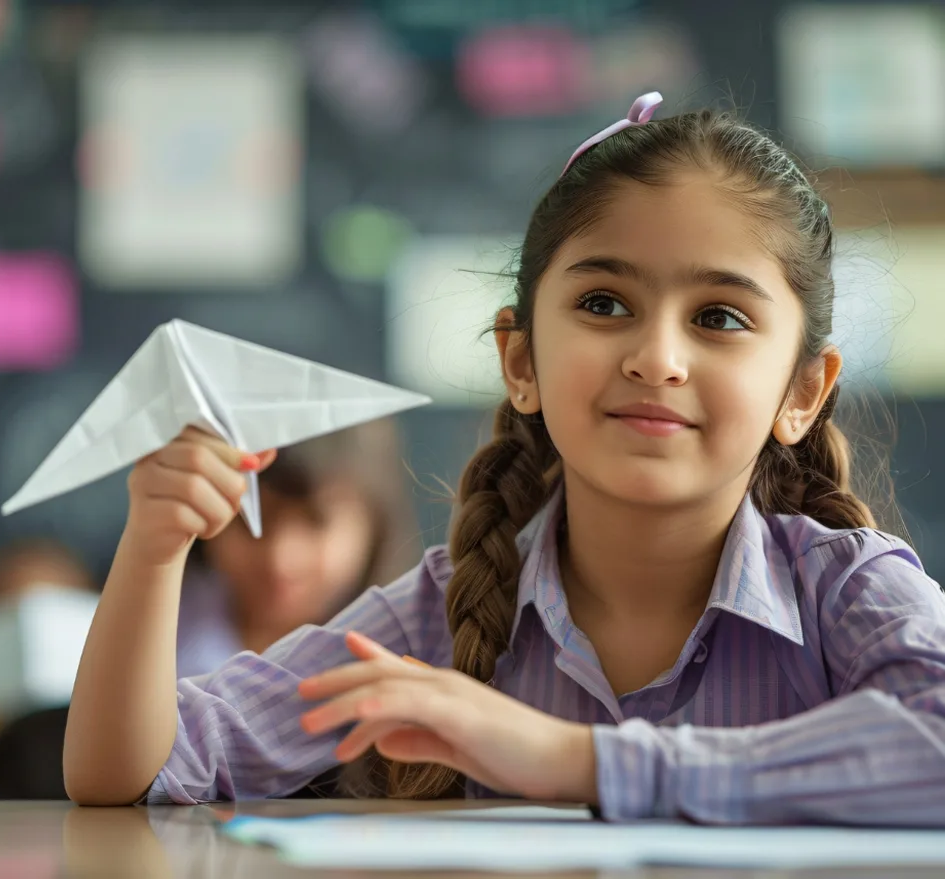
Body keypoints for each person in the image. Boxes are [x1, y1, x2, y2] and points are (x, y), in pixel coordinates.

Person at [62, 92, 945, 824]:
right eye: (604, 303)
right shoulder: (436, 617)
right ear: (519, 361)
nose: (656, 357)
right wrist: (153, 548)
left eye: (717, 317)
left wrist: (573, 759)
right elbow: (132, 773)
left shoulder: (844, 592)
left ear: (801, 391)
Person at [175, 420, 423, 677]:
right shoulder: (151, 629)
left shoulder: (421, 659)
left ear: (374, 524)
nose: (281, 560)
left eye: (316, 520)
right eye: (251, 519)